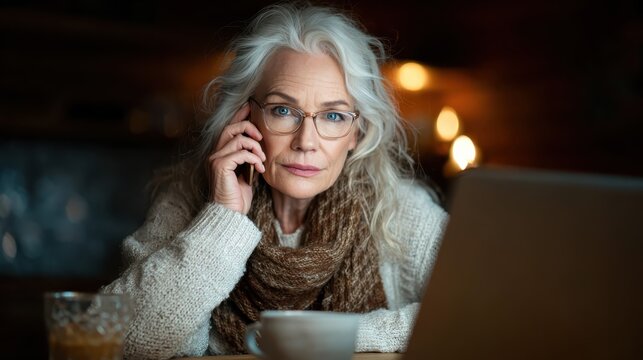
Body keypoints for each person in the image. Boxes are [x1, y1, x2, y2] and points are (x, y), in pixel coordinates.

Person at [102, 3, 448, 359]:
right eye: (283, 110)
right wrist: (222, 219)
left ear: (357, 133)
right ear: (245, 115)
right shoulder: (187, 199)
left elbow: (485, 312)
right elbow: (123, 343)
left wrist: (333, 338)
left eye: (333, 115)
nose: (306, 141)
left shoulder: (400, 210)